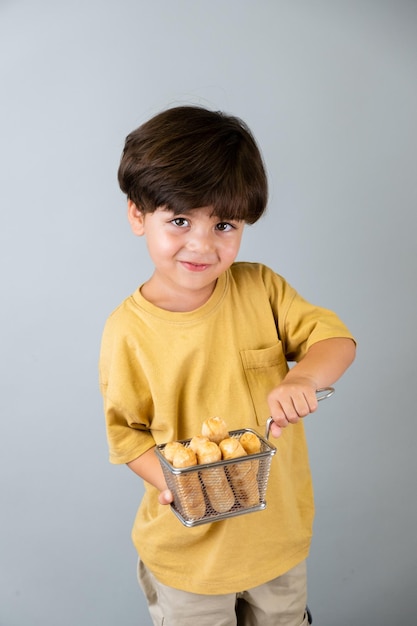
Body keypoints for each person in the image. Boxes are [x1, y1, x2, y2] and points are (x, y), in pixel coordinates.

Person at [99, 105, 356, 626]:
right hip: (188, 552)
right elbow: (128, 438)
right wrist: (176, 486)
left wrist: (304, 375)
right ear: (137, 215)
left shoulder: (260, 288)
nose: (202, 244)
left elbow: (335, 340)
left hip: (276, 540)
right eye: (178, 220)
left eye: (224, 224)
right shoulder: (127, 332)